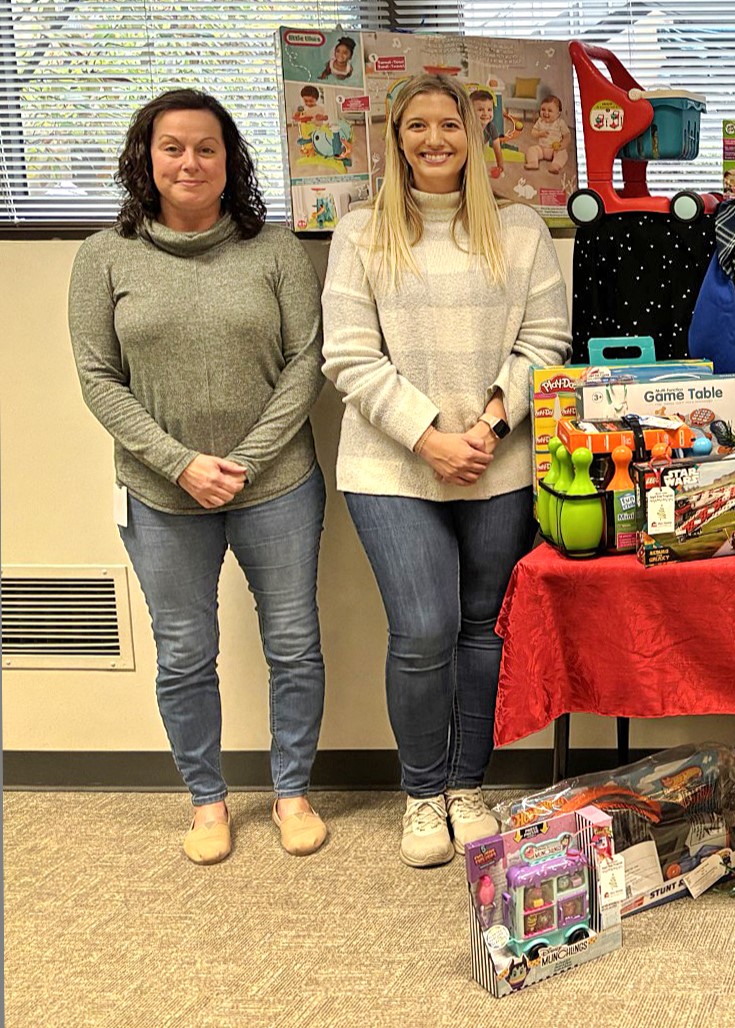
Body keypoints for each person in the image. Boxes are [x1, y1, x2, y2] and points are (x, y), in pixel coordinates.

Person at [68, 89, 329, 864]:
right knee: (184, 652)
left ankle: (292, 793)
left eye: (206, 148)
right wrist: (182, 465)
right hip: (159, 492)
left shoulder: (274, 249)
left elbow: (305, 363)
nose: (189, 162)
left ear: (229, 160)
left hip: (276, 482)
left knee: (294, 643)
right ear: (145, 158)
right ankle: (207, 803)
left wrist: (244, 461)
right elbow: (97, 378)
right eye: (172, 147)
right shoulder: (103, 256)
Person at [322, 74, 571, 868]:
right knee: (422, 630)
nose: (436, 140)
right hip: (392, 469)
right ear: (396, 139)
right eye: (418, 126)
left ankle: (469, 785)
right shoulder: (360, 233)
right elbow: (350, 358)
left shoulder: (521, 228)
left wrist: (493, 425)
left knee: (479, 630)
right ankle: (422, 794)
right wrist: (429, 436)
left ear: (475, 137)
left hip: (497, 465)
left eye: (451, 126)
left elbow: (546, 342)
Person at [469, 88, 506, 179]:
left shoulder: (491, 127)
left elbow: (497, 148)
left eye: (489, 110)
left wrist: (500, 167)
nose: (486, 113)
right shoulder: (468, 127)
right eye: (480, 109)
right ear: (470, 112)